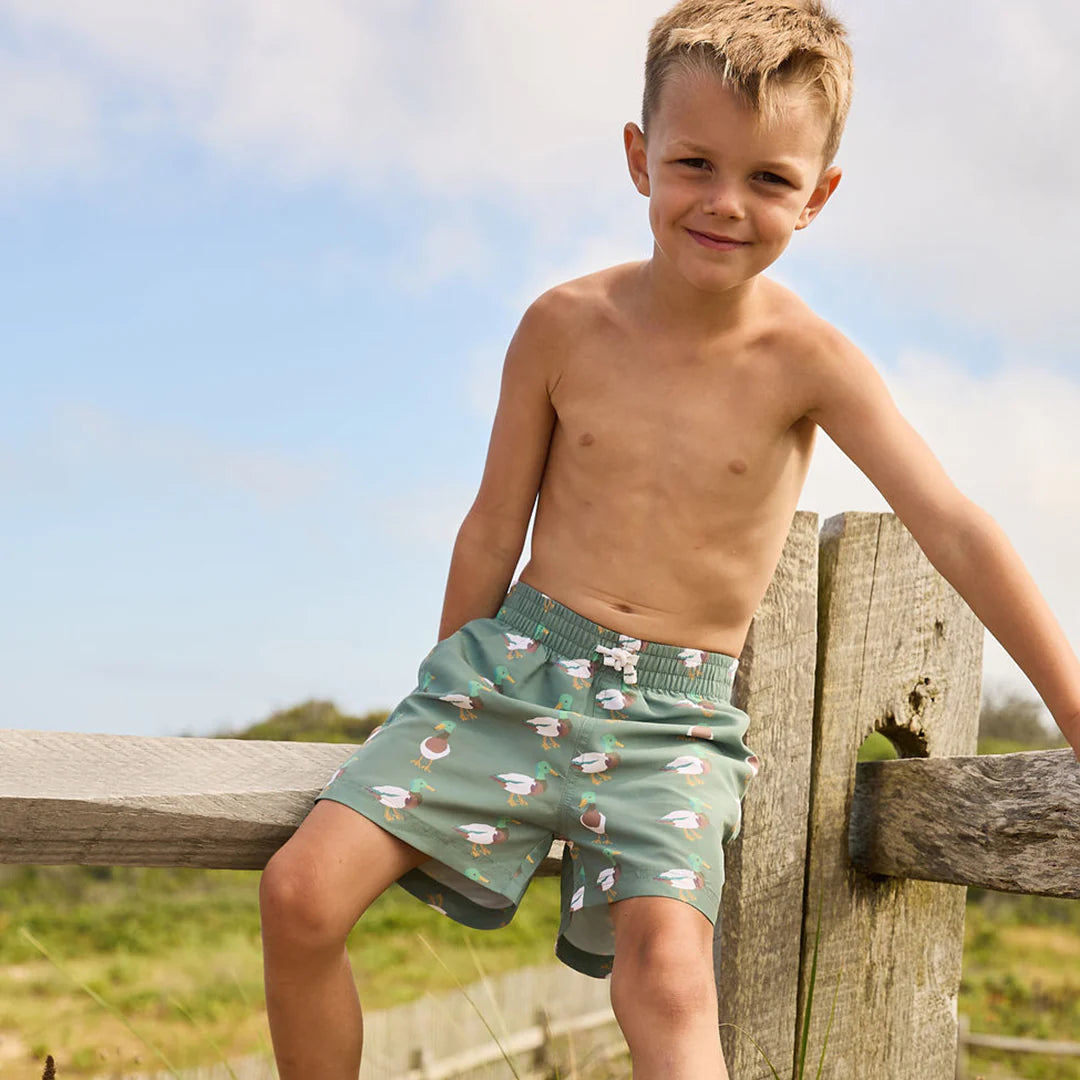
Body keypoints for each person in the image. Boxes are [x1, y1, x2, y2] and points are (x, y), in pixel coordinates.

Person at [258, 1, 1080, 1076]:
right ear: (641, 159)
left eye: (770, 180)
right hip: (511, 675)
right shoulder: (562, 325)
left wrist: (1072, 711)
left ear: (818, 196)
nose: (725, 203)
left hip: (674, 722)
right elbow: (492, 525)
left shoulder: (810, 362)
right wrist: (442, 703)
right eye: (696, 162)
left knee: (669, 979)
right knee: (299, 894)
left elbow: (958, 530)